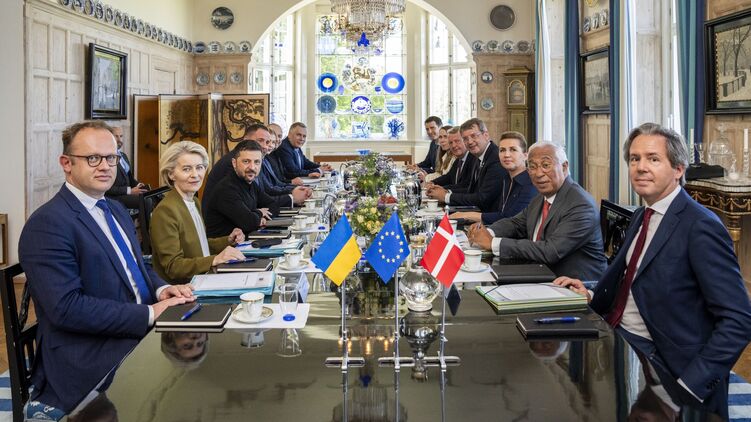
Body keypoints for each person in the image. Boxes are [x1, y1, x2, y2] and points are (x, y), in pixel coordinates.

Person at [555, 123, 751, 419]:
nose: (641, 167)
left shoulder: (700, 226)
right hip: (620, 339)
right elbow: (634, 279)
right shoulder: (642, 214)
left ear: (678, 169)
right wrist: (591, 291)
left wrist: (690, 385)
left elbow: (738, 319)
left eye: (653, 159)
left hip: (667, 365)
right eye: (634, 159)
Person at [18, 121, 195, 417]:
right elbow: (66, 308)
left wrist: (162, 289)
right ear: (66, 163)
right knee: (178, 394)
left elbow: (137, 266)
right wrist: (150, 314)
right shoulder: (47, 224)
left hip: (133, 328)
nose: (104, 166)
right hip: (88, 351)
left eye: (111, 158)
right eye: (92, 158)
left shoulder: (114, 209)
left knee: (199, 362)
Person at [467, 141, 607, 280]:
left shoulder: (581, 205)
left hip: (573, 285)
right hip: (539, 273)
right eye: (532, 167)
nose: (539, 173)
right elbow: (516, 223)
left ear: (564, 167)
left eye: (546, 165)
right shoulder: (542, 197)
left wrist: (493, 243)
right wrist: (487, 232)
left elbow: (550, 251)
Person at [149, 141, 246, 284]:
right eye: (186, 169)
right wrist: (215, 259)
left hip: (204, 278)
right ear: (171, 174)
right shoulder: (166, 211)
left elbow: (198, 246)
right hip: (185, 289)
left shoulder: (194, 201)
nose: (195, 175)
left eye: (199, 167)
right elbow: (173, 266)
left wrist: (228, 241)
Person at [451, 131, 537, 225]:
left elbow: (511, 218)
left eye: (513, 150)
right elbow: (499, 212)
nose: (506, 155)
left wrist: (468, 215)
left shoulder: (530, 183)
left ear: (525, 156)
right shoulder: (506, 178)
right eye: (502, 150)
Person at [425, 118, 504, 212]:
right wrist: (443, 190)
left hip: (488, 216)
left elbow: (483, 198)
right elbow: (470, 190)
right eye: (465, 139)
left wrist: (446, 196)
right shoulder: (479, 155)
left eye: (474, 136)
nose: (470, 142)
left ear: (486, 135)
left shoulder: (495, 158)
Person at [203, 141, 281, 237]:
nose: (252, 167)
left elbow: (274, 205)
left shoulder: (250, 183)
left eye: (257, 162)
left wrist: (260, 218)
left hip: (247, 240)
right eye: (246, 161)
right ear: (234, 163)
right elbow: (249, 223)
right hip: (226, 244)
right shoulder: (226, 189)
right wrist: (260, 212)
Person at [247, 124, 311, 205]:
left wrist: (295, 190)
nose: (268, 146)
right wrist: (292, 196)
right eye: (260, 140)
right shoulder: (262, 159)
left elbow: (274, 184)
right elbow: (267, 191)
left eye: (271, 142)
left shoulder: (266, 158)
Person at [104, 126, 148, 209]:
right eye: (116, 136)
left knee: (150, 195)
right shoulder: (106, 158)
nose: (119, 140)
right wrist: (129, 191)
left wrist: (138, 185)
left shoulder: (123, 156)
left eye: (121, 136)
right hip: (114, 196)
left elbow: (130, 178)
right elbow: (107, 188)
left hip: (126, 193)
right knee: (146, 201)